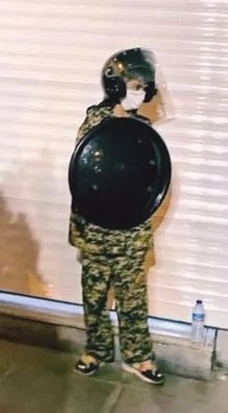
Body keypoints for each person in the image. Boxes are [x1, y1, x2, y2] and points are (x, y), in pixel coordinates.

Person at [69, 48, 165, 385]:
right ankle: (96, 350)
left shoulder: (143, 129)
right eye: (134, 85)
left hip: (132, 228)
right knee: (94, 294)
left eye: (144, 87)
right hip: (96, 226)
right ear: (116, 85)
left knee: (133, 296)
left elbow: (151, 176)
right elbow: (84, 174)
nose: (140, 92)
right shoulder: (95, 124)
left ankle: (138, 356)